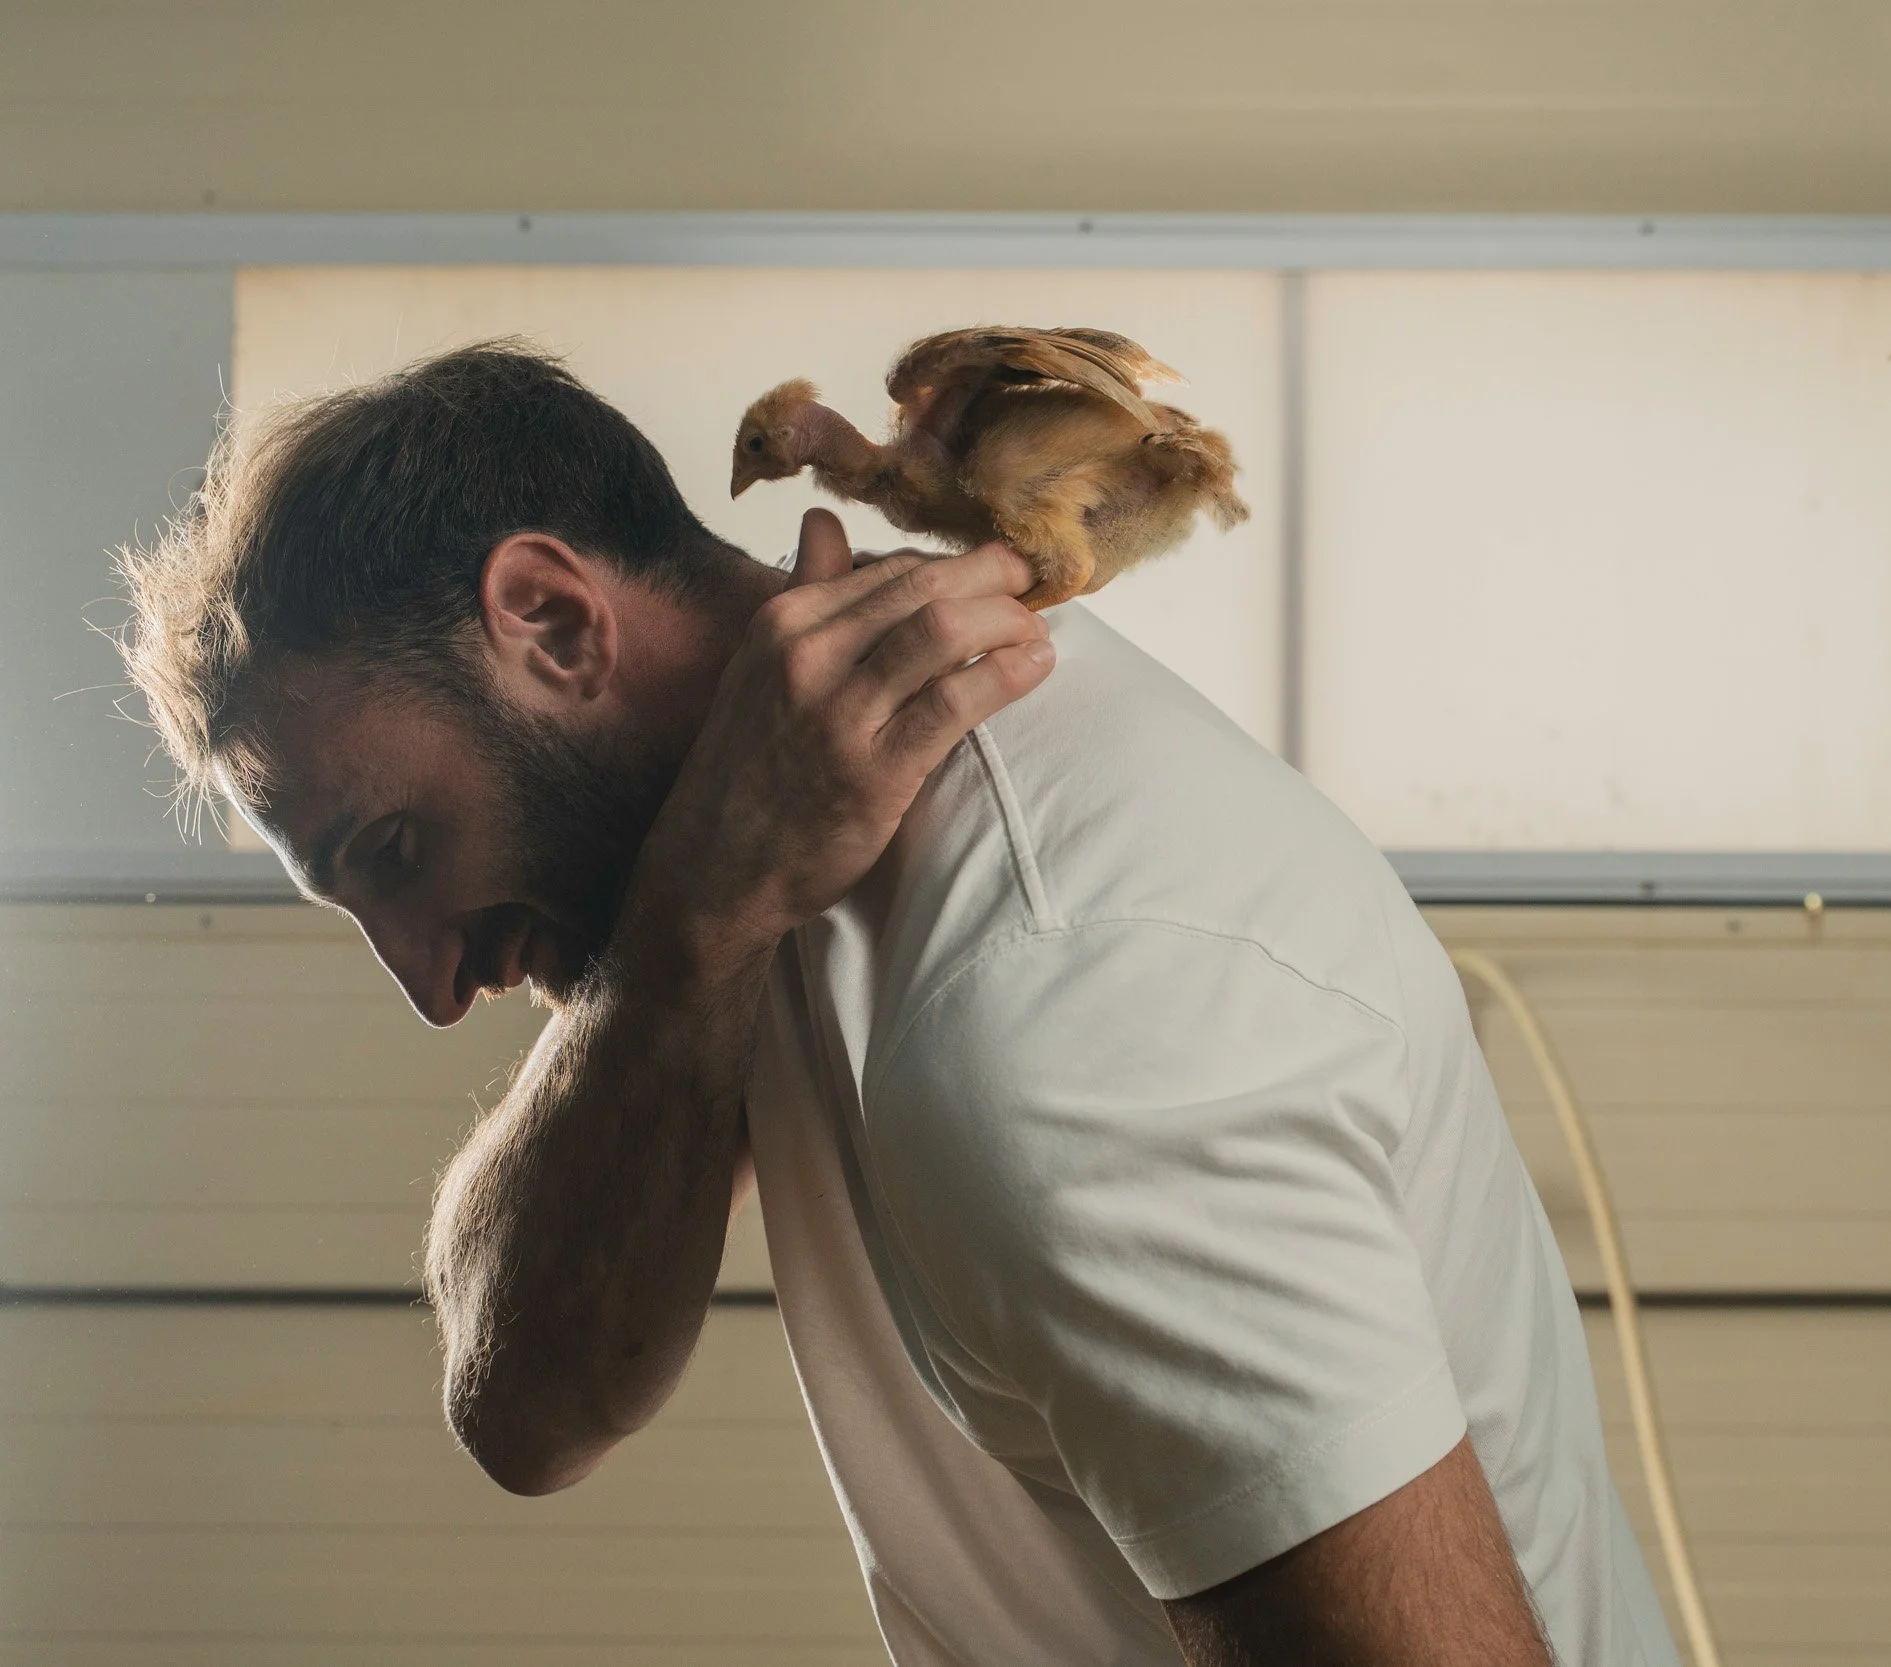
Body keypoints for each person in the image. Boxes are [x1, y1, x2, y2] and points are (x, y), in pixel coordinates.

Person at [118, 342, 1673, 1666]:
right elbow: (525, 1404)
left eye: (399, 852)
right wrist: (692, 929)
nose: (432, 987)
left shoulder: (1060, 988)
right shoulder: (731, 879)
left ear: (556, 621)